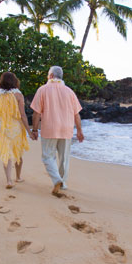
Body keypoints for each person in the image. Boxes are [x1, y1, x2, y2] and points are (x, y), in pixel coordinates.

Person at [30, 66, 84, 195]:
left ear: (51, 76)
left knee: (48, 156)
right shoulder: (69, 91)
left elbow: (36, 113)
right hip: (66, 128)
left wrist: (35, 129)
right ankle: (63, 183)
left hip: (50, 128)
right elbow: (76, 114)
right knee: (64, 157)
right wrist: (80, 131)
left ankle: (56, 179)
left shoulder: (43, 90)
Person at [0, 71, 33, 188]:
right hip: (16, 127)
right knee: (18, 153)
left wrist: (0, 127)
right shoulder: (19, 95)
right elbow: (23, 115)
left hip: (3, 127)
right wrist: (29, 132)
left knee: (6, 154)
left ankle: (9, 180)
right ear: (15, 81)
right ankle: (18, 177)